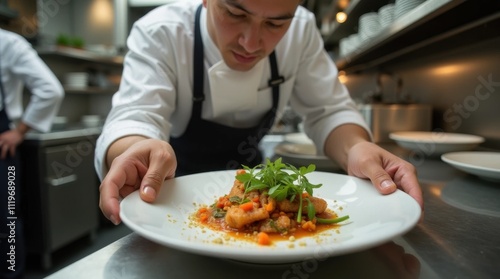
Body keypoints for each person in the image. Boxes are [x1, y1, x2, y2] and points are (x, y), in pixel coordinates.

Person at [96, 0, 424, 226]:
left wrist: (357, 148)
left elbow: (329, 111)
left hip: (258, 193)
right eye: (236, 14)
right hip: (173, 200)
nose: (252, 43)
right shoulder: (161, 31)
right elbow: (135, 115)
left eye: (275, 23)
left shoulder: (302, 32)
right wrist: (132, 150)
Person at [0, 28, 64, 278]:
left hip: (3, 147)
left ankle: (12, 274)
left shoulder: (8, 43)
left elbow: (51, 89)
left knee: (6, 219)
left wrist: (20, 131)